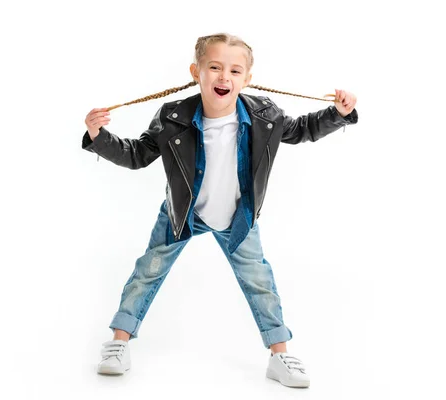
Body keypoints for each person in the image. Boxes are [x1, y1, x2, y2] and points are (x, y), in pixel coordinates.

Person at [81, 32, 358, 388]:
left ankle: (279, 353)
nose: (224, 77)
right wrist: (98, 137)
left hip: (238, 218)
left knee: (260, 282)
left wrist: (338, 113)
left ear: (247, 79)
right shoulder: (173, 116)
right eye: (214, 67)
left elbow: (302, 129)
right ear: (197, 71)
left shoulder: (265, 115)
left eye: (234, 70)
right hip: (183, 214)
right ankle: (118, 342)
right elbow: (137, 154)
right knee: (147, 271)